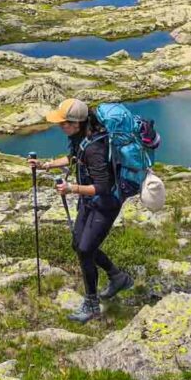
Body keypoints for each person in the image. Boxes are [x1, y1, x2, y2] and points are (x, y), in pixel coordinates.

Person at [29, 98, 133, 323]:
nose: (60, 126)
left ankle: (92, 304)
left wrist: (71, 188)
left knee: (86, 249)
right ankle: (118, 277)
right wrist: (45, 165)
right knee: (79, 244)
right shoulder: (82, 138)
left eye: (64, 123)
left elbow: (103, 187)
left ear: (77, 122)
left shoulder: (95, 147)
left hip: (105, 205)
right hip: (90, 203)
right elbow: (74, 158)